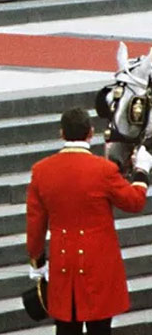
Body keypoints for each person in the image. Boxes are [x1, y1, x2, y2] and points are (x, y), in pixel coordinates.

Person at [26, 106, 152, 334]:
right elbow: (134, 202)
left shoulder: (41, 171)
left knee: (66, 328)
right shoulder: (104, 170)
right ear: (90, 133)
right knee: (100, 329)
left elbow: (35, 225)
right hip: (99, 265)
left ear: (62, 134)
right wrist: (142, 170)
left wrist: (38, 263)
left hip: (63, 264)